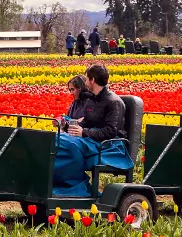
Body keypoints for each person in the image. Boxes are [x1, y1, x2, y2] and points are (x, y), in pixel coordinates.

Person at [52, 65, 133, 196]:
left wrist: (84, 133)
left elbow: (111, 131)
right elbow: (86, 122)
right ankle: (57, 183)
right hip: (90, 138)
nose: (84, 82)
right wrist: (66, 126)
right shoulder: (91, 99)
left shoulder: (114, 102)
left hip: (108, 144)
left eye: (86, 79)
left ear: (92, 80)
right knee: (57, 138)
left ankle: (74, 187)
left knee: (69, 145)